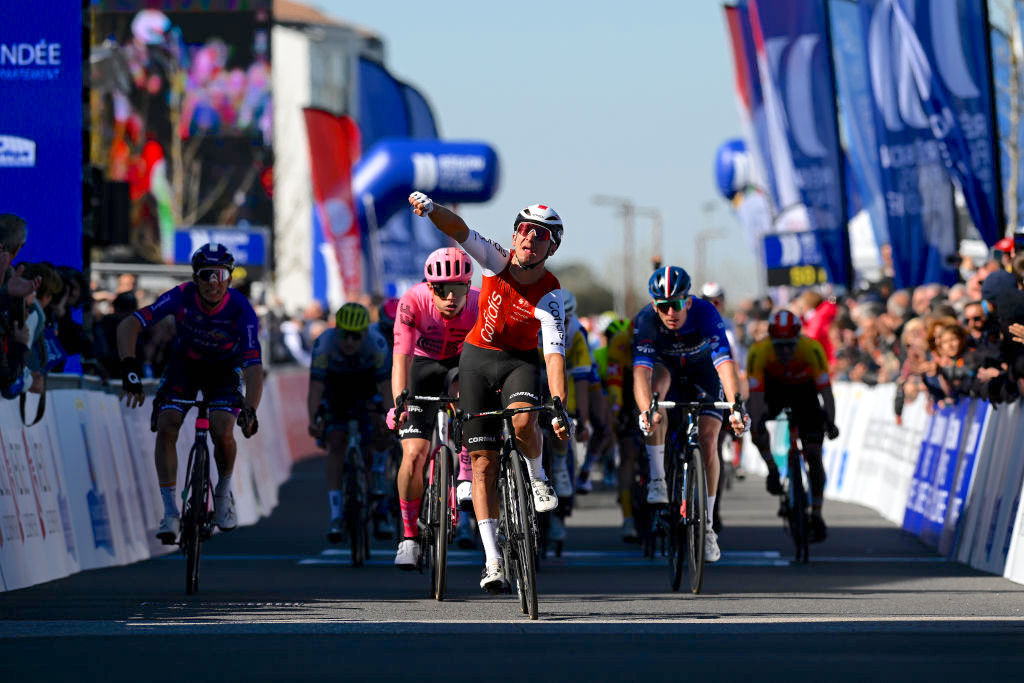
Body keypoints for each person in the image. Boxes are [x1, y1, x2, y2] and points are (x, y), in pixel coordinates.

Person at [408, 191, 572, 592]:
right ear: (514, 236)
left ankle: (537, 477)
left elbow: (553, 357)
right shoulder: (496, 259)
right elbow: (460, 230)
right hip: (477, 360)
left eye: (540, 235)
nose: (528, 239)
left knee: (522, 421)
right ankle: (493, 559)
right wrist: (431, 209)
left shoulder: (551, 295)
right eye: (523, 231)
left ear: (551, 247)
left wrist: (558, 407)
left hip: (519, 362)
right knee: (481, 463)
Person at [118, 243, 262, 543]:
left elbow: (253, 367)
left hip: (225, 369)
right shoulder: (181, 295)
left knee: (223, 430)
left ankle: (222, 493)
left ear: (230, 279)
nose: (213, 282)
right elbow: (129, 325)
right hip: (186, 365)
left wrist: (250, 408)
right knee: (168, 423)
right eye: (207, 274)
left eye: (220, 275)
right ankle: (170, 511)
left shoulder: (241, 309)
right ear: (195, 278)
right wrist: (129, 368)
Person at [632, 266, 747, 563]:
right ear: (655, 305)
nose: (671, 312)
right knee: (656, 394)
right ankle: (658, 478)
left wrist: (736, 404)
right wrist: (646, 411)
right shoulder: (645, 320)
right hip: (666, 372)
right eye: (663, 306)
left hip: (702, 374)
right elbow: (640, 372)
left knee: (709, 441)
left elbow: (724, 363)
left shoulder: (707, 313)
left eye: (677, 304)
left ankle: (707, 528)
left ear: (689, 301)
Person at [387, 247, 480, 569]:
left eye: (458, 288)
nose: (451, 297)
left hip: (461, 364)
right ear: (430, 287)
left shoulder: (480, 304)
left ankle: (465, 470)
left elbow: (485, 362)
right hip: (423, 367)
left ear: (468, 286)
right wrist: (400, 401)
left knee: (469, 395)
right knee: (413, 454)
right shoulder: (412, 301)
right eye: (442, 289)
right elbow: (401, 356)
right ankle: (409, 537)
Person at [746, 309, 838, 543]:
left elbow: (826, 392)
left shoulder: (812, 349)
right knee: (753, 424)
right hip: (773, 391)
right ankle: (773, 470)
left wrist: (830, 420)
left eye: (790, 345)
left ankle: (816, 514)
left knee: (815, 454)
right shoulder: (759, 351)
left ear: (798, 339)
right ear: (771, 341)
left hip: (804, 393)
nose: (785, 351)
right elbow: (756, 398)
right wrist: (756, 423)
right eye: (780, 346)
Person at [308, 302, 391, 544]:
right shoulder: (324, 344)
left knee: (375, 437)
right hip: (336, 389)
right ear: (337, 331)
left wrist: (389, 418)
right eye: (345, 335)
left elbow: (385, 388)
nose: (350, 342)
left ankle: (374, 494)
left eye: (357, 336)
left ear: (366, 332)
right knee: (336, 443)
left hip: (366, 387)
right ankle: (335, 514)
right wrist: (313, 419)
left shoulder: (377, 344)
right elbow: (315, 389)